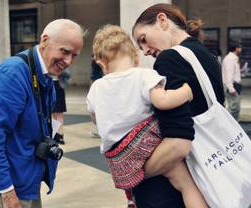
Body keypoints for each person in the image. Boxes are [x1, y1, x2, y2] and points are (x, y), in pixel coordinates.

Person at [88, 24, 207, 208]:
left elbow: (96, 119)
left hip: (118, 159)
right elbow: (163, 101)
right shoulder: (144, 75)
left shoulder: (96, 87)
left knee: (135, 190)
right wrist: (186, 91)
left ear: (102, 64)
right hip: (146, 147)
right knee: (186, 185)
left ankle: (131, 199)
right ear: (135, 57)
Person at [0, 19, 84, 208]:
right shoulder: (14, 73)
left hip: (29, 179)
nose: (68, 61)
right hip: (14, 186)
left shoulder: (45, 74)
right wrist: (7, 192)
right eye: (65, 51)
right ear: (45, 40)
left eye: (74, 55)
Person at [132, 3, 225, 208]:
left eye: (143, 40)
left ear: (162, 20)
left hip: (179, 185)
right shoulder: (206, 55)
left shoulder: (170, 59)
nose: (145, 51)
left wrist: (133, 174)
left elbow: (177, 144)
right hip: (212, 170)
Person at [222, 43, 243, 120]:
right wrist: (231, 88)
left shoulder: (233, 58)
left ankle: (232, 127)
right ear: (236, 48)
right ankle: (229, 128)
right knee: (234, 108)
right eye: (240, 47)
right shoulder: (230, 59)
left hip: (235, 85)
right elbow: (229, 74)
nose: (241, 49)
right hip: (232, 86)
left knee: (235, 108)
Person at [52, 68, 71, 144]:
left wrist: (60, 71)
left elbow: (68, 75)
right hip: (49, 85)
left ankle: (59, 135)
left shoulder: (60, 62)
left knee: (59, 113)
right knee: (52, 113)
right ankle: (56, 134)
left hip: (58, 85)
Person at [89, 55, 103, 138]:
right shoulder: (98, 60)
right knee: (95, 106)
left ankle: (99, 128)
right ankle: (98, 128)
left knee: (96, 106)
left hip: (97, 81)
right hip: (96, 81)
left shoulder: (97, 61)